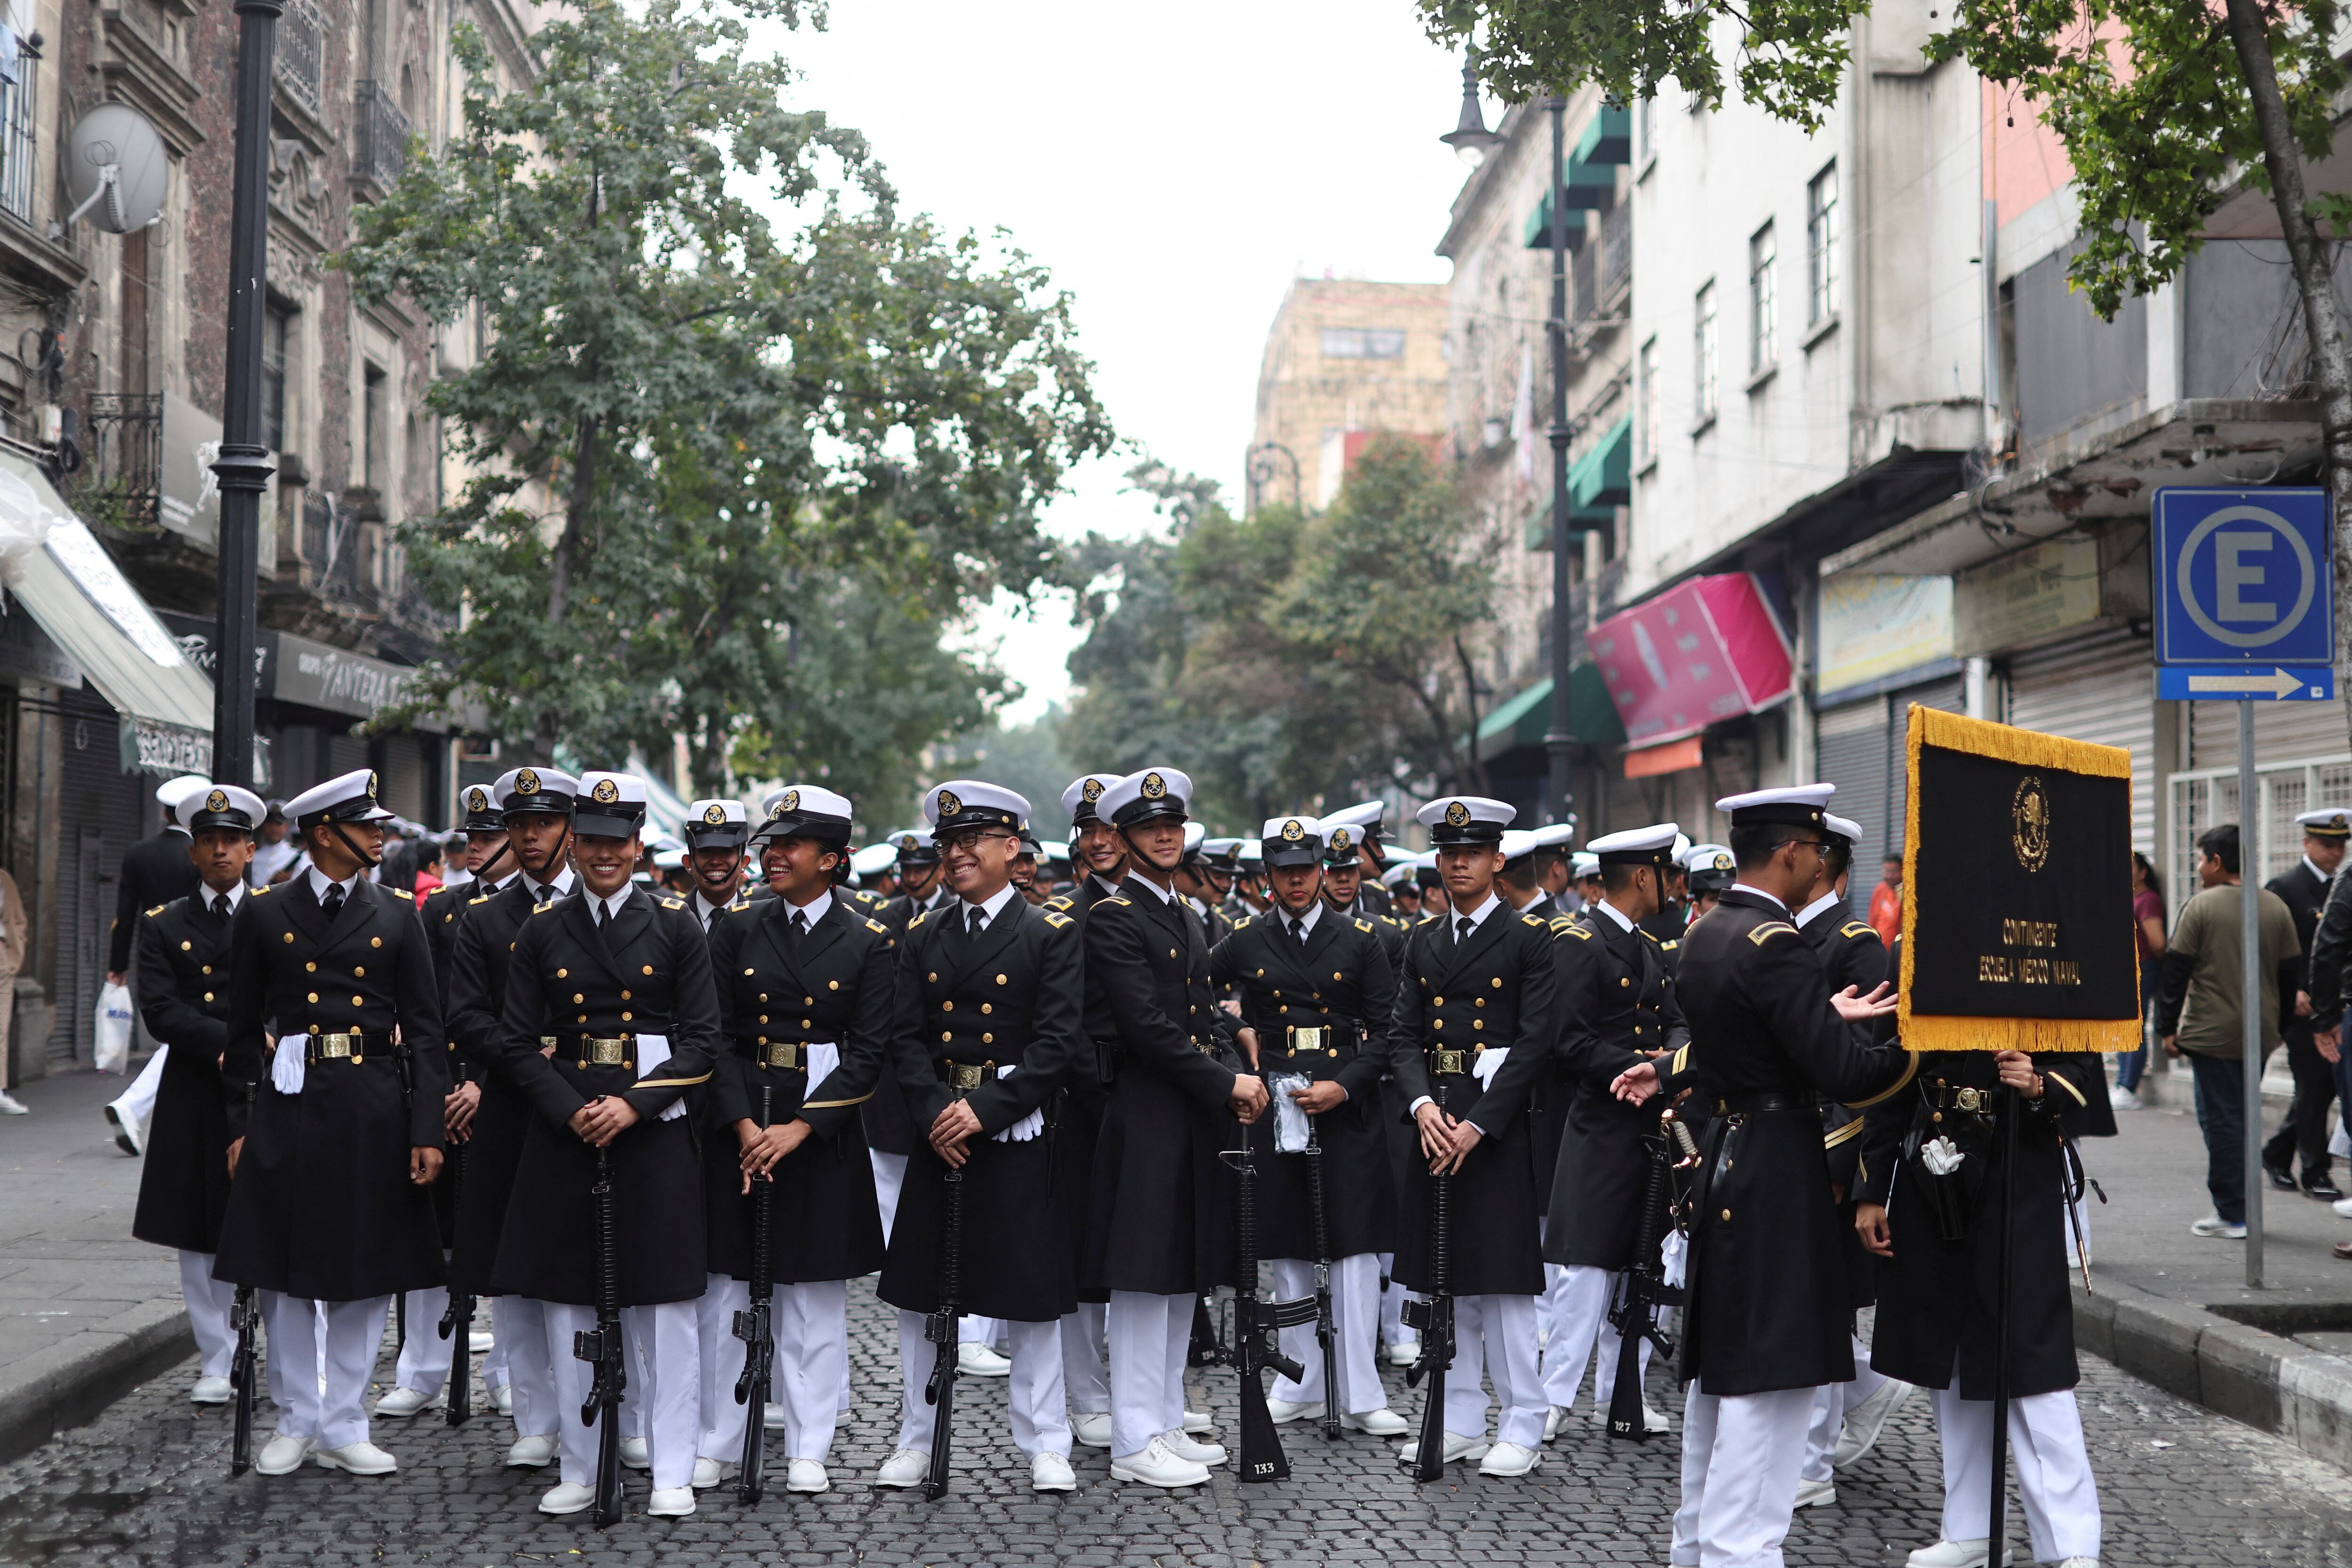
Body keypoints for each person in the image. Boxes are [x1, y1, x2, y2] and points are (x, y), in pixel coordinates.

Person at [1608, 782, 1909, 1568]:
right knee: (1770, 1389)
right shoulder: (1775, 941)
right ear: (1790, 852)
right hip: (1778, 1172)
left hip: (1730, 1164)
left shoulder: (1709, 932)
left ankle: (1699, 1546)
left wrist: (1814, 1016)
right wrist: (1924, 1044)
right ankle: (1741, 1553)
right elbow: (1849, 1072)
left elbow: (1732, 1042)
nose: (1819, 861)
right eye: (1813, 849)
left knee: (1723, 1380)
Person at [489, 771, 720, 1518]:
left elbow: (703, 1042)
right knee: (568, 1305)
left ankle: (675, 1468)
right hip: (568, 1130)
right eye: (590, 841)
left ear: (637, 843)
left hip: (652, 1131)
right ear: (572, 843)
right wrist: (572, 1108)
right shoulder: (542, 930)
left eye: (617, 842)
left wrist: (633, 1105)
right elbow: (517, 1042)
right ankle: (582, 1465)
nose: (604, 855)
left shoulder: (678, 926)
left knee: (669, 1308)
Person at [212, 768, 450, 1478]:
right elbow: (242, 1024)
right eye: (367, 824)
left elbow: (428, 1032)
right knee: (287, 1272)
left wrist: (427, 1129)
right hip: (289, 1105)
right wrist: (237, 1122)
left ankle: (347, 1420)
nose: (382, 834)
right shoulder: (263, 912)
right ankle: (296, 1418)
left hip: (374, 1106)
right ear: (326, 834)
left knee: (363, 1272)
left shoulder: (398, 913)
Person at [872, 779, 1086, 1494]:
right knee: (920, 1295)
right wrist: (939, 1112)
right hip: (942, 1134)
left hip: (1013, 1130)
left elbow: (1059, 1044)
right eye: (949, 843)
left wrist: (985, 1109)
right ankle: (913, 1435)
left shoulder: (1047, 932)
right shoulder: (923, 934)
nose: (957, 854)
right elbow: (905, 1038)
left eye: (971, 842)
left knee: (1031, 1296)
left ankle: (1047, 1441)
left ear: (1011, 848)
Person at [699, 785, 893, 1494]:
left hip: (820, 1126)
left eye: (792, 845)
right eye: (771, 844)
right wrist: (748, 1127)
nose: (773, 855)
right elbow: (715, 1038)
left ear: (834, 859)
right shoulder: (739, 929)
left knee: (813, 1298)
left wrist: (800, 1129)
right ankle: (715, 1439)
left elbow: (869, 1053)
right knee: (726, 1294)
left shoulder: (871, 940)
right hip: (745, 1117)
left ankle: (809, 1443)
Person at [1082, 766, 1267, 1487]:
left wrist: (1233, 1046)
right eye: (1149, 827)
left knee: (1180, 1276)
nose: (1165, 835)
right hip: (1146, 1115)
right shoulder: (1115, 915)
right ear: (1124, 839)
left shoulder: (1182, 912)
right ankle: (1132, 1439)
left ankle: (1159, 1420)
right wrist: (1228, 1082)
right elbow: (1148, 1029)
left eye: (1173, 825)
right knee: (1140, 1283)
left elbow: (1195, 1014)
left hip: (1188, 1114)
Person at [1856, 1040, 2106, 1568]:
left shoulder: (2052, 954)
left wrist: (2042, 1083)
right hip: (1931, 1163)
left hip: (2017, 1172)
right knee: (1948, 1356)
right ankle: (1969, 1527)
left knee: (2033, 1363)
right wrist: (1872, 1187)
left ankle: (2070, 1545)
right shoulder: (1915, 955)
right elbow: (1891, 1071)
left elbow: (2085, 1062)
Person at [1210, 812, 1406, 1438]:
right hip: (1277, 1101)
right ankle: (1299, 1379)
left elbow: (1392, 1032)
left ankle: (1361, 1390)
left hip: (1346, 1103)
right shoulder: (1245, 939)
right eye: (1284, 872)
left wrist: (1346, 1084)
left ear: (1322, 872)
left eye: (1306, 870)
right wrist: (1236, 1036)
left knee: (1352, 1251)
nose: (1297, 882)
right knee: (1290, 1245)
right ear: (1268, 877)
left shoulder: (1362, 941)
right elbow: (1192, 992)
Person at [1387, 794, 1559, 1477]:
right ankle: (1458, 1415)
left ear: (1497, 860)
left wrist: (1481, 1125)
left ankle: (1524, 1419)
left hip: (1495, 1129)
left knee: (1509, 1289)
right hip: (1436, 1124)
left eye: (1473, 853)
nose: (1459, 863)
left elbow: (1537, 1041)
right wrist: (1424, 1106)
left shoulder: (1528, 939)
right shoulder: (1424, 939)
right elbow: (1402, 1035)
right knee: (1443, 1279)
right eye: (1449, 853)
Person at [443, 768, 578, 1455]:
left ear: (570, 828)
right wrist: (531, 1060)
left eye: (544, 823)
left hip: (589, 1107)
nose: (530, 837)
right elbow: (465, 1016)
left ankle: (619, 1414)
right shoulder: (485, 917)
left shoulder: (604, 902)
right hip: (512, 1109)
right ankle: (537, 1420)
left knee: (594, 1262)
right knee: (516, 1273)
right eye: (519, 824)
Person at [1539, 823, 1687, 1442]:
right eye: (1666, 873)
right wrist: (1636, 1067)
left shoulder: (1648, 947)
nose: (1674, 886)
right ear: (1644, 875)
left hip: (1644, 1130)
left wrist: (1664, 1065)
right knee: (1587, 1272)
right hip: (1601, 1127)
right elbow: (1566, 1041)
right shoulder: (1583, 942)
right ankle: (1548, 1402)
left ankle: (1616, 1394)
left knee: (1639, 1267)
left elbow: (1678, 1023)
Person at [377, 785, 516, 1422]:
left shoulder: (538, 914)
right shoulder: (443, 911)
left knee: (510, 1237)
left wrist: (484, 1084)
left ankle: (511, 1369)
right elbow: (424, 1011)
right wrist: (437, 1094)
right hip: (444, 1085)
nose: (474, 849)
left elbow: (528, 1018)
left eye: (488, 838)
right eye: (471, 839)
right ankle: (422, 1368)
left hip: (507, 1087)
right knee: (429, 1237)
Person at [1791, 812, 1914, 1510]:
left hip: (1830, 1152)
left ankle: (1812, 1463)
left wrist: (1851, 1167)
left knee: (1821, 1304)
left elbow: (1876, 1068)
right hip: (1792, 1143)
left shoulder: (1854, 942)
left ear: (1825, 868)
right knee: (1809, 1300)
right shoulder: (1787, 935)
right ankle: (1864, 1385)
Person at [129, 783, 262, 1406]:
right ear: (193, 852)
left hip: (265, 1086)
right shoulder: (163, 923)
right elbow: (158, 1008)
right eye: (208, 841)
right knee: (196, 1228)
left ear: (250, 849)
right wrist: (227, 1043)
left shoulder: (275, 916)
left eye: (230, 841)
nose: (219, 852)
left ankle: (280, 1351)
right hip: (195, 1084)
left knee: (269, 1218)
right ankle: (218, 1357)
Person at [2159, 823, 2300, 1240]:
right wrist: (2279, 1028)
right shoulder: (2275, 906)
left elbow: (2175, 971)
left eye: (2202, 860)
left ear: (2218, 862)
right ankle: (2242, 1207)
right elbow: (2292, 975)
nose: (2200, 868)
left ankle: (2233, 1212)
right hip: (2260, 1035)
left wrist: (2166, 1028)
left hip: (2210, 1034)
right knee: (2241, 1117)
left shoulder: (2200, 906)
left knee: (2222, 1121)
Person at [1048, 770, 1132, 1448]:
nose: (1098, 842)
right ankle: (1087, 1393)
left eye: (1109, 828)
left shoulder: (1160, 908)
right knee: (1080, 1255)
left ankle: (1141, 1390)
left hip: (1150, 1100)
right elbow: (1064, 1026)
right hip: (1086, 1101)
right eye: (1088, 831)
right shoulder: (1066, 917)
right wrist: (1098, 1095)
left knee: (1143, 1253)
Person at [2262, 810, 2345, 1201]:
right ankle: (2315, 1172)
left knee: (2324, 1089)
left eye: (2342, 844)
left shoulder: (2342, 885)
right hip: (2302, 1008)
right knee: (2313, 1088)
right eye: (2328, 844)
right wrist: (2290, 990)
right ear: (2306, 843)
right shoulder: (2284, 887)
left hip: (2337, 1005)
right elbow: (2271, 949)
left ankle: (2277, 1155)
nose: (2336, 851)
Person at [2115, 852, 2167, 1110]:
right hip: (2128, 971)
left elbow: (2158, 943)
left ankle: (2128, 1088)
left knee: (2134, 1027)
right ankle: (2122, 1084)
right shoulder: (2131, 898)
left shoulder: (2147, 900)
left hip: (2143, 969)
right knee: (2125, 1026)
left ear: (2143, 872)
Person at [683, 798, 759, 929]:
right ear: (688, 862)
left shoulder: (761, 922)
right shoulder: (668, 921)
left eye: (726, 852)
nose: (716, 861)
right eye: (706, 852)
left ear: (744, 863)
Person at [1683, 844, 1736, 926]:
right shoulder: (1690, 939)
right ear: (1697, 909)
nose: (1726, 905)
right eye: (1715, 899)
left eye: (1732, 897)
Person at [252, 800, 300, 886]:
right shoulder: (251, 856)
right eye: (270, 824)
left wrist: (290, 882)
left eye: (278, 824)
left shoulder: (297, 856)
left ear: (286, 826)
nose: (274, 828)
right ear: (263, 825)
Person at [1868, 854, 1904, 947]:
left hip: (1898, 952)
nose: (1889, 876)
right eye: (1886, 871)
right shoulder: (1880, 890)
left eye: (1893, 871)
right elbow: (1872, 921)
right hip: (1879, 950)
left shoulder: (1907, 893)